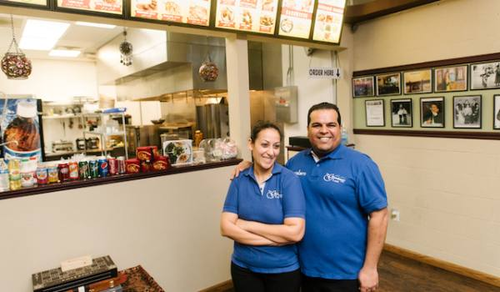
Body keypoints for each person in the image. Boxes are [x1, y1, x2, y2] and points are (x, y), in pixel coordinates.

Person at [233, 103, 388, 292]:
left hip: (345, 272)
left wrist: (370, 268)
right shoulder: (295, 163)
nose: (324, 131)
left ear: (340, 128)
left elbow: (380, 216)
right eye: (317, 125)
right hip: (303, 269)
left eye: (331, 125)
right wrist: (249, 163)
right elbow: (269, 171)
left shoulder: (361, 165)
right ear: (308, 130)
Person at [220, 121, 306, 292]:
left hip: (283, 271)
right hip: (243, 269)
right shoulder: (239, 178)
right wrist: (274, 240)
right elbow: (226, 228)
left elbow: (295, 233)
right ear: (251, 144)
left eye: (276, 146)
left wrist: (247, 225)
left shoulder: (289, 180)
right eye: (264, 145)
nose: (271, 152)